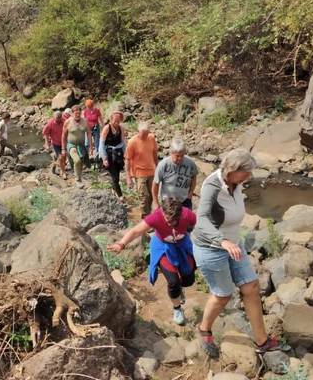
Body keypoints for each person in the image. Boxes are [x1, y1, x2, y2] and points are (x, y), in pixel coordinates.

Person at [193, 149, 286, 359]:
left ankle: (262, 341)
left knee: (251, 287)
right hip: (211, 248)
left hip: (234, 244)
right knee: (223, 294)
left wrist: (229, 241)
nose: (248, 177)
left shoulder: (235, 184)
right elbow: (202, 219)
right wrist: (222, 241)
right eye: (246, 172)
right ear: (233, 169)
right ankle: (204, 328)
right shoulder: (212, 186)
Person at [109, 197, 196, 325]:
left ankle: (178, 289)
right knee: (173, 281)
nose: (170, 223)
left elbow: (201, 225)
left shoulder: (187, 214)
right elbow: (135, 231)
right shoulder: (156, 217)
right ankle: (177, 308)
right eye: (168, 220)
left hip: (181, 245)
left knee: (189, 279)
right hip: (163, 247)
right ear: (163, 213)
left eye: (174, 221)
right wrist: (121, 244)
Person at [153, 138, 198, 211]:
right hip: (168, 201)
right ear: (171, 153)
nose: (180, 158)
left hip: (185, 199)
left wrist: (190, 195)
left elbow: (194, 177)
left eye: (182, 155)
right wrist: (155, 202)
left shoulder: (190, 163)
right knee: (170, 221)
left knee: (187, 221)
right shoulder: (163, 165)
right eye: (177, 156)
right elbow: (155, 183)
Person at [126, 121, 158, 215]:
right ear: (138, 131)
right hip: (139, 173)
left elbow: (154, 153)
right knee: (143, 196)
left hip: (151, 171)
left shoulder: (151, 138)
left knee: (151, 195)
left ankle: (148, 215)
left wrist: (158, 167)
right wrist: (128, 177)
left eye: (147, 133)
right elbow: (127, 159)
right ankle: (146, 218)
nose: (145, 136)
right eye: (143, 134)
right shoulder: (132, 142)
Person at [99, 111, 127, 203]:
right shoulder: (107, 128)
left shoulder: (121, 129)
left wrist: (125, 156)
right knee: (114, 177)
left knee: (117, 176)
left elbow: (123, 143)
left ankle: (113, 191)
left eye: (118, 121)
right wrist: (104, 158)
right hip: (109, 154)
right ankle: (120, 196)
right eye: (115, 121)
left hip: (118, 155)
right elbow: (101, 144)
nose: (117, 123)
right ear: (111, 120)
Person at [61, 105, 90, 187]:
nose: (77, 115)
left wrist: (91, 146)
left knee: (81, 162)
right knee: (77, 160)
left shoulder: (85, 121)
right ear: (72, 113)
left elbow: (88, 133)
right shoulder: (67, 122)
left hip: (81, 145)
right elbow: (63, 135)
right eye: (75, 113)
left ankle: (78, 175)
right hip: (71, 145)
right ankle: (78, 180)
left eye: (79, 113)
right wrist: (63, 148)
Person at [43, 111, 67, 180]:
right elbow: (46, 133)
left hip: (64, 142)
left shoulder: (65, 121)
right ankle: (63, 172)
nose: (58, 120)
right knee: (60, 157)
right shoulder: (50, 123)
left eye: (59, 119)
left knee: (64, 157)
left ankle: (62, 166)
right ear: (54, 117)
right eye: (57, 119)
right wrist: (46, 144)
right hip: (56, 143)